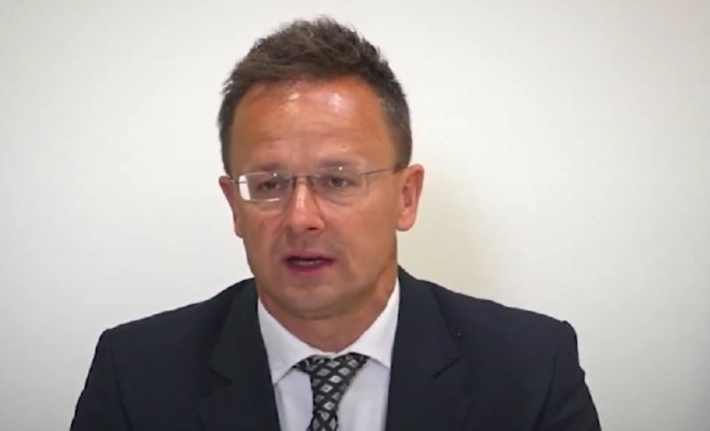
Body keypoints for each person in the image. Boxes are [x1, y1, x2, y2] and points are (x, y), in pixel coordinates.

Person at [70, 17, 601, 431]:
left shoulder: (531, 369)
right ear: (234, 206)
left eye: (338, 180)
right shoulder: (135, 376)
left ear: (406, 198)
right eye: (269, 184)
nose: (301, 218)